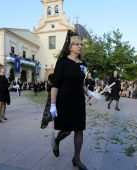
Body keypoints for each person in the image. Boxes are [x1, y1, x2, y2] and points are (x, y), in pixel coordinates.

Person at [50, 30, 92, 170]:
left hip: (78, 101)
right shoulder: (62, 62)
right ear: (70, 47)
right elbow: (55, 85)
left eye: (81, 44)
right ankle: (57, 140)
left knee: (79, 130)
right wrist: (53, 104)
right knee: (66, 131)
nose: (80, 46)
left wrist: (88, 91)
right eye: (77, 44)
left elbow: (81, 84)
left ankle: (77, 159)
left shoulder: (83, 64)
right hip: (64, 101)